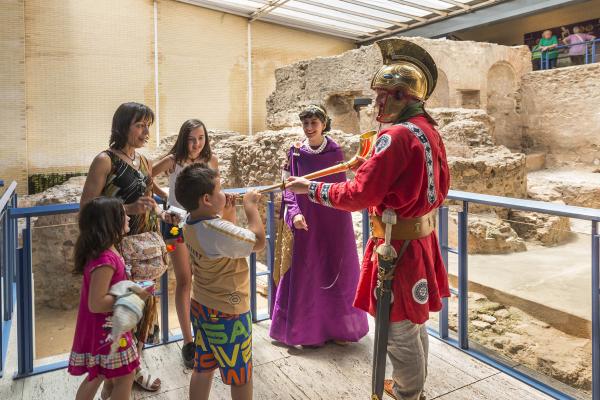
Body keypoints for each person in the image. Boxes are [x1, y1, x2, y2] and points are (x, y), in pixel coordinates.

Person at [286, 38, 450, 400]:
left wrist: (310, 190)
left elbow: (359, 194)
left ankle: (408, 392)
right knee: (414, 320)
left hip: (397, 247)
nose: (375, 103)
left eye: (382, 95)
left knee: (398, 329)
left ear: (403, 95)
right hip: (420, 240)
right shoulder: (427, 129)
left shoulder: (394, 137)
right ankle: (413, 387)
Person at [80, 102, 177, 392]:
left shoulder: (144, 162)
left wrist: (162, 214)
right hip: (117, 252)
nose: (146, 131)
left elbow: (149, 203)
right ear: (123, 126)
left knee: (142, 316)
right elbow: (87, 208)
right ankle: (119, 379)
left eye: (148, 125)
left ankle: (130, 371)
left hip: (145, 253)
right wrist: (128, 208)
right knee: (120, 318)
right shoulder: (105, 161)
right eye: (140, 125)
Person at [269, 104, 368, 347]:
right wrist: (294, 215)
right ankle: (308, 333)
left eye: (314, 123)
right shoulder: (295, 152)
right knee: (307, 273)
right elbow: (288, 189)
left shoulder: (335, 151)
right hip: (306, 221)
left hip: (334, 221)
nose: (309, 128)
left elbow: (340, 188)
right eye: (306, 123)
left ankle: (338, 330)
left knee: (335, 269)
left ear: (324, 124)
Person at [175, 164, 266, 400]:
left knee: (203, 367)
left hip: (202, 307)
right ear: (206, 198)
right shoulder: (214, 230)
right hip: (229, 313)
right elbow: (257, 242)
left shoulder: (190, 222)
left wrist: (227, 213)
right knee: (241, 374)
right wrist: (251, 207)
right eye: (220, 189)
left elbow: (223, 243)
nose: (224, 193)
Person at [68, 197, 151, 400]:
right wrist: (131, 295)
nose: (128, 218)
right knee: (125, 376)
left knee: (97, 375)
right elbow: (96, 303)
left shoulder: (107, 251)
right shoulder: (105, 259)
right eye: (123, 214)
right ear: (110, 222)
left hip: (106, 328)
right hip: (107, 330)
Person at [152, 119, 218, 368]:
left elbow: (215, 189)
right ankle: (189, 342)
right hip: (174, 224)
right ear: (183, 139)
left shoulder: (211, 160)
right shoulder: (173, 160)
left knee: (204, 278)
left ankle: (206, 334)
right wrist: (164, 197)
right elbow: (146, 178)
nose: (196, 144)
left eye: (201, 138)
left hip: (202, 224)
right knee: (184, 279)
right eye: (192, 139)